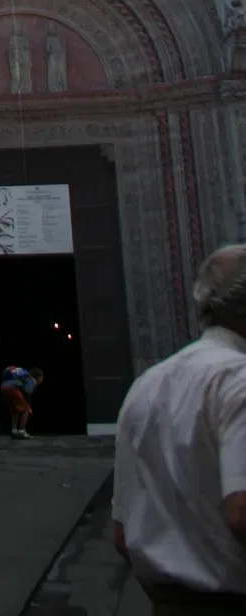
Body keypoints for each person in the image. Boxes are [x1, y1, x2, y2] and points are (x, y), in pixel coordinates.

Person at [114, 244, 246, 611]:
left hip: (166, 600)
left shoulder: (147, 384)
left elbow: (122, 534)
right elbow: (242, 513)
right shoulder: (238, 380)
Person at [0, 363, 43, 439]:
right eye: (42, 377)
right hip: (13, 389)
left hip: (3, 387)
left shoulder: (22, 376)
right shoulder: (31, 380)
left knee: (15, 411)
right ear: (38, 377)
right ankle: (21, 431)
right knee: (26, 410)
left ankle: (14, 431)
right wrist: (27, 405)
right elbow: (27, 391)